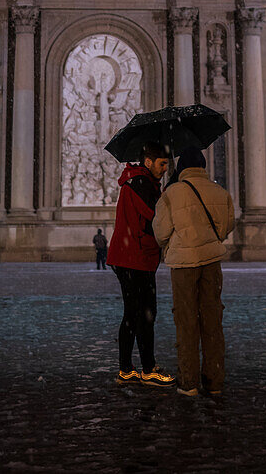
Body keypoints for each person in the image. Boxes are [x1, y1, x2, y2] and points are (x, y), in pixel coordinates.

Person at [153, 146, 235, 397]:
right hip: (211, 262)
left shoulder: (173, 193)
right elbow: (227, 226)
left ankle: (188, 382)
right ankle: (214, 380)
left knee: (186, 321)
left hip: (183, 265)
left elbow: (160, 232)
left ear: (182, 168)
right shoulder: (220, 191)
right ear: (203, 167)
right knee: (212, 320)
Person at [107, 141, 176, 387]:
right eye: (162, 164)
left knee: (133, 313)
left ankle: (127, 369)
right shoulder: (141, 185)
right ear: (148, 162)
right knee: (144, 314)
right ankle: (147, 369)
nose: (165, 168)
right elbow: (155, 219)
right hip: (135, 257)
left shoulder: (137, 182)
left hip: (130, 256)